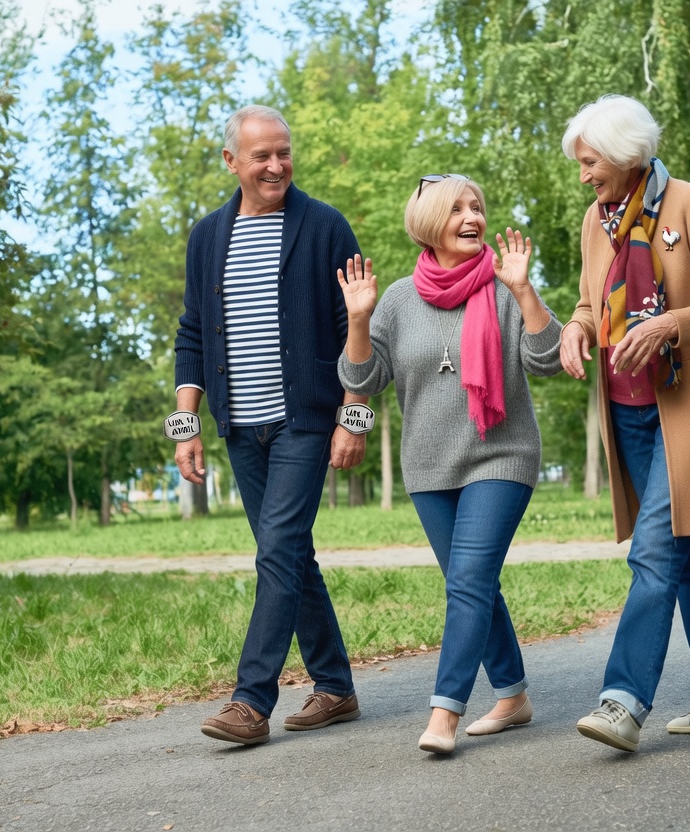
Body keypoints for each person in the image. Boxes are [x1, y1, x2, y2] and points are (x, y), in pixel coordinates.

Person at [337, 174, 562, 755]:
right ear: (429, 223)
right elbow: (365, 378)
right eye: (457, 208)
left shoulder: (505, 285)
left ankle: (444, 713)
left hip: (501, 454)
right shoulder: (396, 300)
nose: (472, 217)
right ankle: (512, 695)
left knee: (468, 581)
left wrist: (525, 292)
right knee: (473, 583)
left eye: (477, 207)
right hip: (428, 465)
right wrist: (358, 320)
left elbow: (547, 360)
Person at [558, 95, 690, 754]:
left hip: (688, 409)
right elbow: (590, 301)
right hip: (628, 413)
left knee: (652, 553)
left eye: (591, 162)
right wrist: (576, 328)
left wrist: (671, 324)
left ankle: (623, 700)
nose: (584, 176)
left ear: (625, 154)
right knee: (686, 555)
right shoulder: (596, 221)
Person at [172, 105, 369, 747]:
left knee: (276, 550)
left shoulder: (325, 226)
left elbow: (356, 329)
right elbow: (193, 332)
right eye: (261, 156)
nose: (276, 165)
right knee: (290, 553)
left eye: (283, 152)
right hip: (239, 424)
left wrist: (354, 418)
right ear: (231, 161)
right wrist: (185, 421)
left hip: (305, 420)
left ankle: (250, 701)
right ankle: (335, 687)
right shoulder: (208, 236)